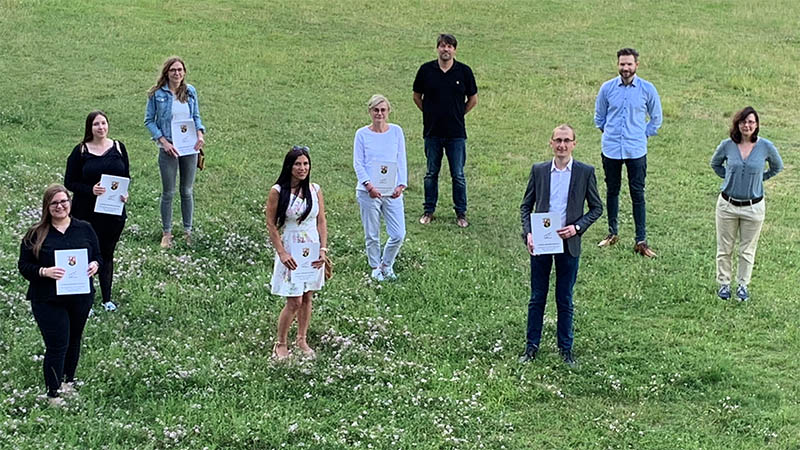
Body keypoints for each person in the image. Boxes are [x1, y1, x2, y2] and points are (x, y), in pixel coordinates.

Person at [519, 125, 603, 367]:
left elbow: (596, 207)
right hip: (543, 243)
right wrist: (529, 235)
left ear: (574, 144)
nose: (562, 145)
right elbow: (526, 206)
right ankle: (531, 347)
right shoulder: (540, 171)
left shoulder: (585, 172)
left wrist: (577, 228)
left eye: (567, 141)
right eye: (558, 140)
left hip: (569, 243)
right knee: (537, 297)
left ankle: (566, 349)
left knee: (564, 297)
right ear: (551, 143)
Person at [18, 185, 101, 406]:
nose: (60, 206)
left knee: (74, 339)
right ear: (47, 206)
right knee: (57, 343)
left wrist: (95, 265)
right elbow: (24, 266)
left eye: (64, 201)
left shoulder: (84, 229)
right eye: (54, 203)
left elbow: (98, 256)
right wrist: (44, 272)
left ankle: (68, 382)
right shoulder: (36, 233)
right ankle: (53, 393)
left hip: (80, 295)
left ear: (70, 203)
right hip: (47, 298)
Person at [594, 48, 662, 257]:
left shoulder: (647, 89)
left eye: (629, 64)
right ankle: (612, 233)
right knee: (612, 190)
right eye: (622, 64)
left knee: (637, 194)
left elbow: (656, 118)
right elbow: (599, 117)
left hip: (636, 150)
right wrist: (611, 134)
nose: (625, 68)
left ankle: (640, 240)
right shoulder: (607, 88)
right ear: (618, 65)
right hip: (612, 149)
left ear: (636, 65)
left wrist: (641, 135)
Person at [710, 107, 783, 301]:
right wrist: (730, 178)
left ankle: (742, 286)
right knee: (724, 248)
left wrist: (760, 178)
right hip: (727, 206)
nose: (747, 125)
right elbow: (715, 164)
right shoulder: (727, 145)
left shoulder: (765, 146)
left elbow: (778, 166)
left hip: (753, 207)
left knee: (747, 249)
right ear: (737, 124)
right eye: (743, 122)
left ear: (756, 124)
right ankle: (724, 285)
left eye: (751, 122)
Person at [266, 146, 328, 360]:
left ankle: (301, 338)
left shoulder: (314, 190)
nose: (302, 168)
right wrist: (282, 253)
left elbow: (321, 220)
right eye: (298, 164)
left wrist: (323, 248)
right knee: (294, 300)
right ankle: (280, 342)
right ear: (289, 166)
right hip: (292, 247)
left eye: (305, 164)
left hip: (311, 247)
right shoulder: (278, 191)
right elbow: (271, 224)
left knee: (308, 295)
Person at [65, 111, 130, 312]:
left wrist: (124, 194)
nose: (101, 128)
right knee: (86, 255)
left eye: (103, 123)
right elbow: (69, 182)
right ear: (89, 128)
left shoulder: (119, 147)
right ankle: (87, 300)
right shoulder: (81, 151)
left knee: (107, 254)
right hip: (86, 213)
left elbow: (126, 176)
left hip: (113, 214)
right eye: (96, 124)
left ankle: (107, 299)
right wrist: (90, 190)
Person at [413, 33, 478, 227]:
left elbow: (473, 99)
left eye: (449, 46)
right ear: (437, 49)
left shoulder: (464, 72)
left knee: (457, 174)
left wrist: (458, 114)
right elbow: (417, 96)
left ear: (455, 50)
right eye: (442, 46)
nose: (446, 49)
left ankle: (461, 213)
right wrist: (430, 113)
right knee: (431, 173)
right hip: (432, 132)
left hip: (456, 134)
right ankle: (428, 210)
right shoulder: (426, 70)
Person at [144, 56, 206, 248]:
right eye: (173, 70)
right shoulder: (157, 94)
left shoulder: (190, 92)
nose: (177, 73)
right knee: (168, 192)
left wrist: (200, 135)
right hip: (169, 147)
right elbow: (149, 121)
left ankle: (188, 231)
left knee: (187, 191)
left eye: (180, 70)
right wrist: (163, 141)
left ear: (184, 72)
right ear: (167, 73)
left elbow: (196, 117)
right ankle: (167, 233)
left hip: (189, 148)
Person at [353, 94, 408, 281]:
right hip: (369, 191)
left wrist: (401, 184)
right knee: (372, 232)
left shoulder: (396, 131)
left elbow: (401, 158)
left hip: (392, 191)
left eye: (383, 110)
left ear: (388, 111)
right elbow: (358, 163)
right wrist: (368, 185)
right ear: (370, 111)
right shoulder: (361, 134)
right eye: (376, 110)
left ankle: (387, 264)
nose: (379, 113)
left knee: (398, 233)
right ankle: (375, 266)